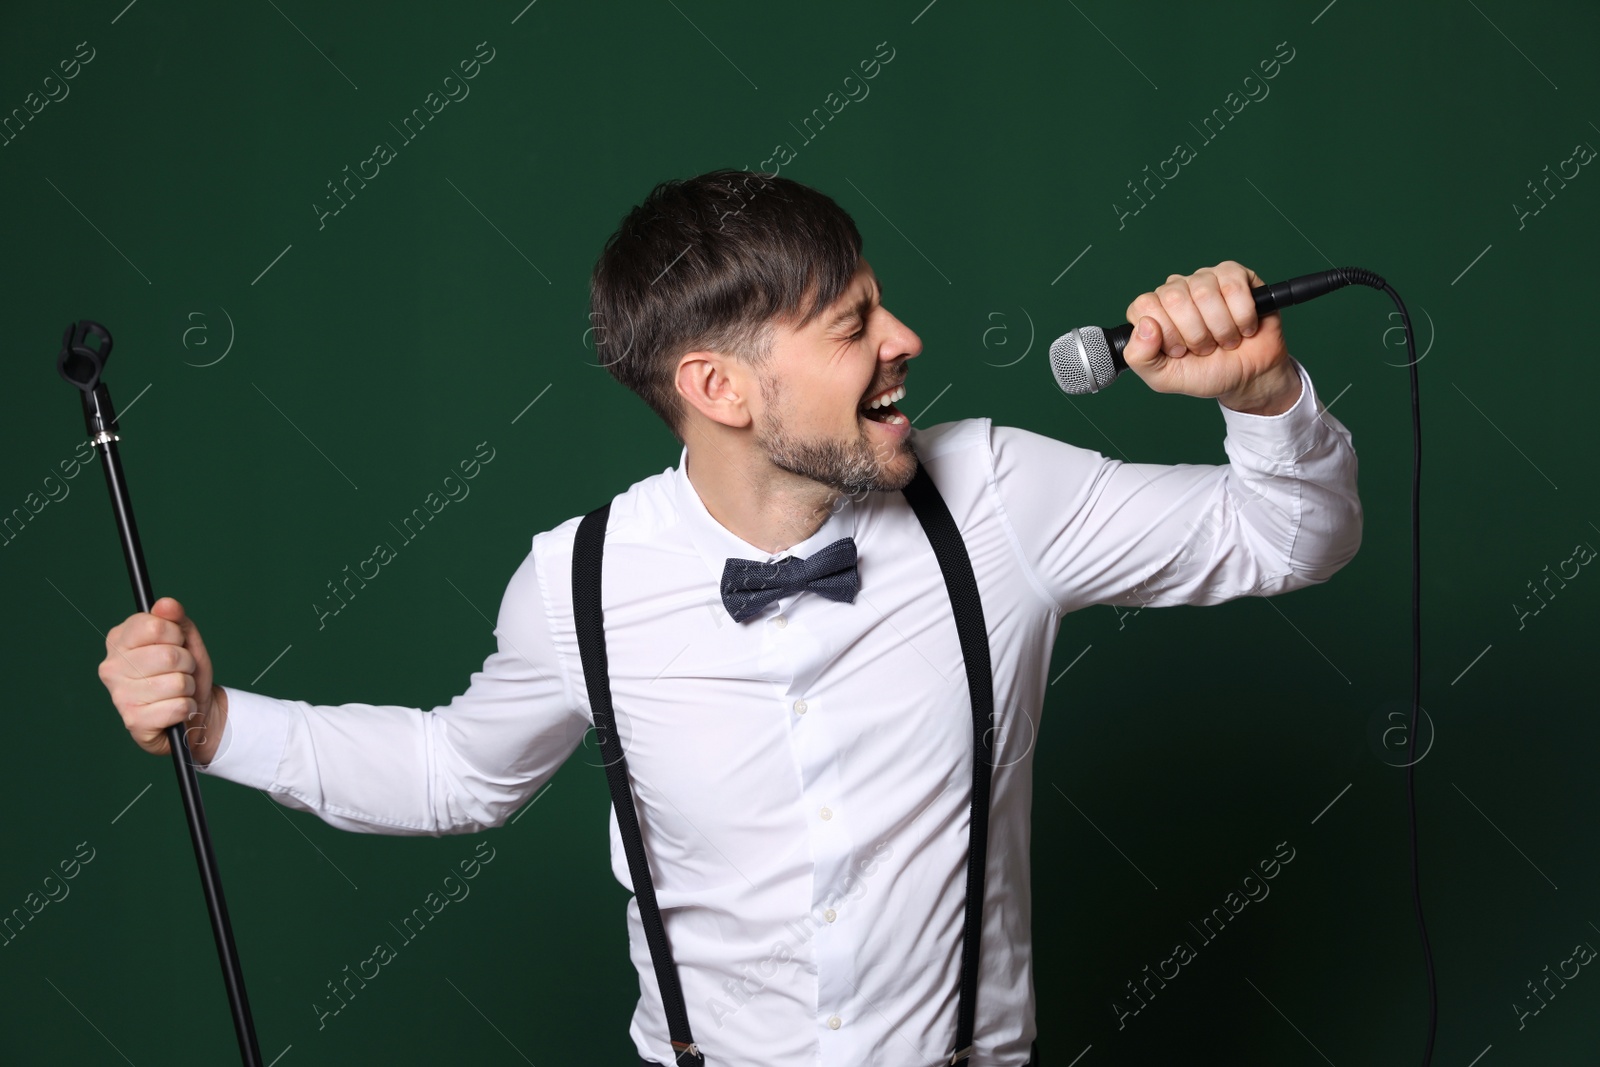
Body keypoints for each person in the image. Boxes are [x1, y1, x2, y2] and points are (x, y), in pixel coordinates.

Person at [97, 169, 1361, 1066]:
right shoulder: (578, 581)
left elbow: (1287, 541)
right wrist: (214, 721)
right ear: (718, 386)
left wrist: (1264, 397)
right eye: (854, 323)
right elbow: (453, 772)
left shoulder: (999, 495)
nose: (905, 338)